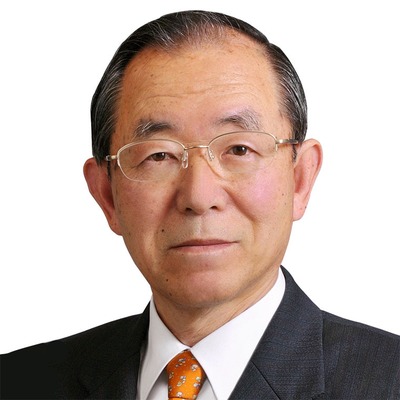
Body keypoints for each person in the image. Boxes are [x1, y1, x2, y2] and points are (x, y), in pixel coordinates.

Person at [1, 9, 399, 400]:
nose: (198, 197)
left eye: (239, 149)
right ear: (107, 194)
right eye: (158, 155)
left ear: (300, 179)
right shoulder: (17, 383)